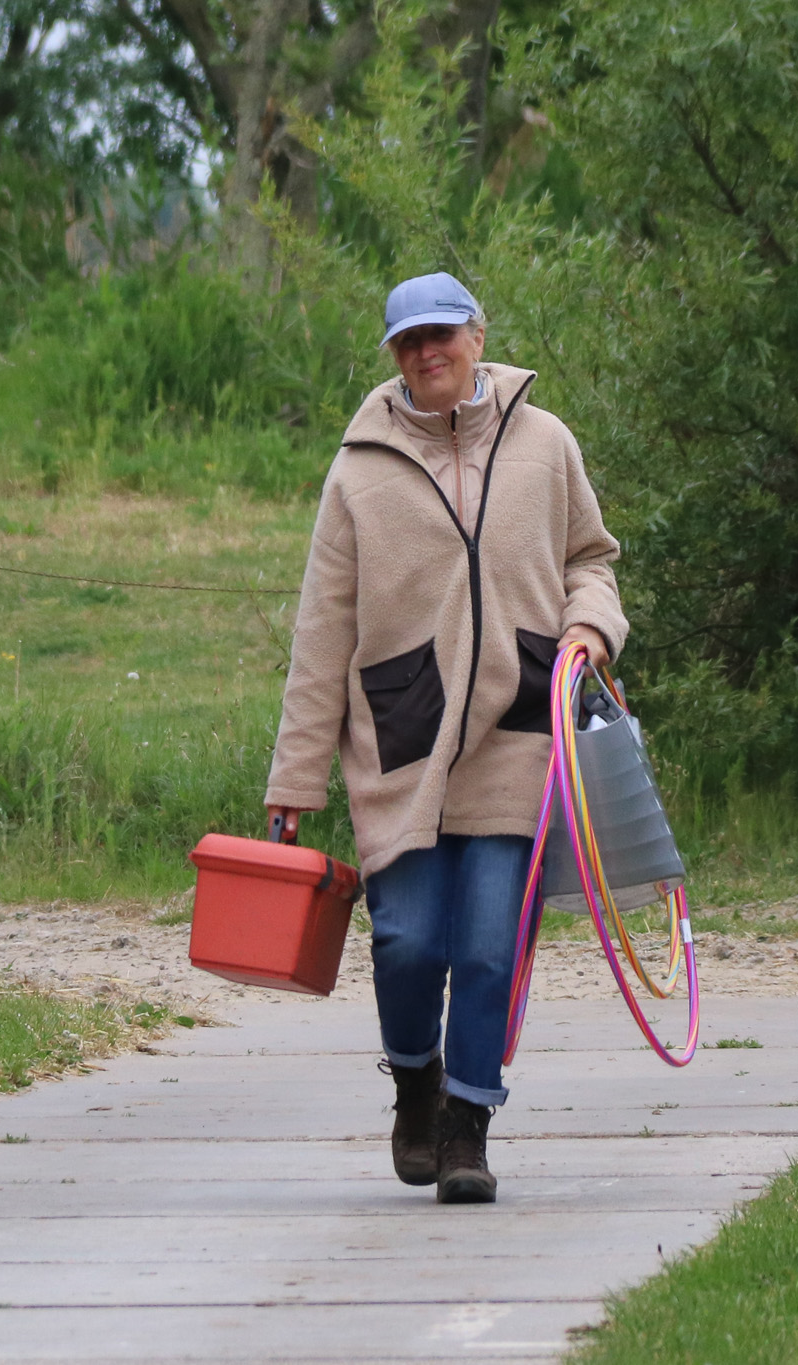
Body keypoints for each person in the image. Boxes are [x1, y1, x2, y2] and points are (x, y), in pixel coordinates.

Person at [265, 271, 627, 1203]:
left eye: (442, 335)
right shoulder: (359, 468)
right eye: (407, 342)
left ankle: (468, 1126)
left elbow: (591, 557)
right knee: (409, 941)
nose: (428, 353)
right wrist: (295, 780)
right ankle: (415, 1080)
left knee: (489, 945)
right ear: (394, 356)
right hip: (405, 739)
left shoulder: (545, 443)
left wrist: (590, 628)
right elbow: (321, 632)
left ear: (477, 333)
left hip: (517, 726)